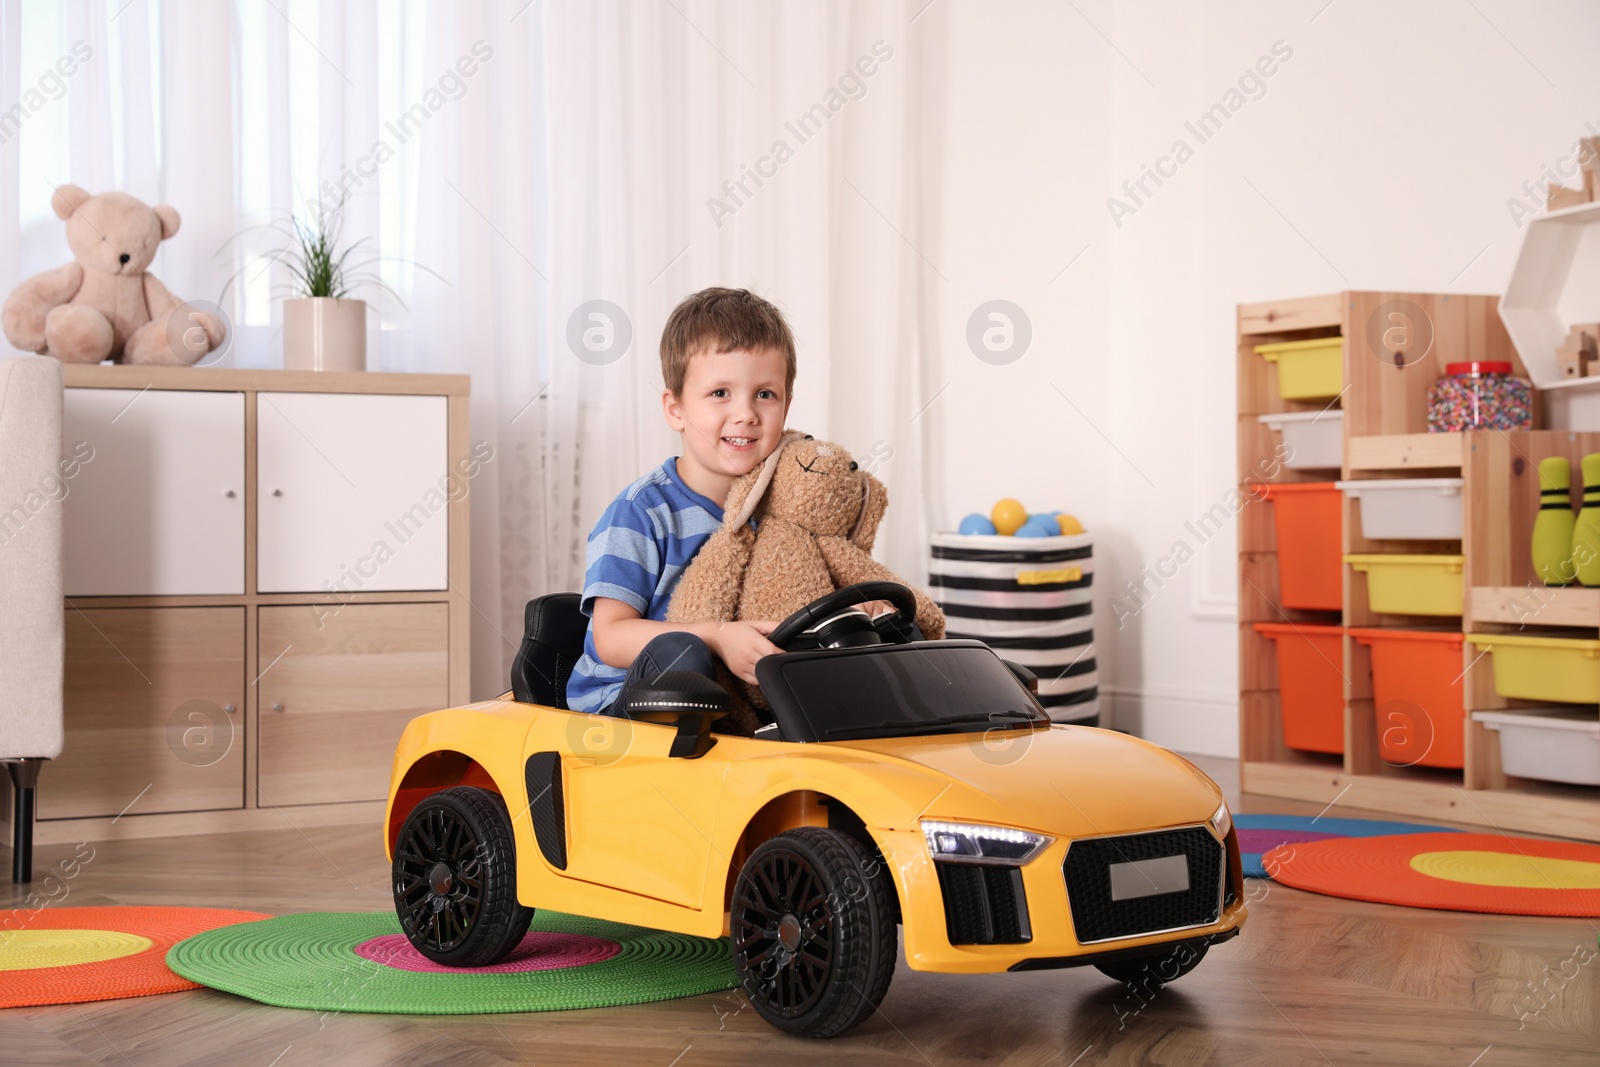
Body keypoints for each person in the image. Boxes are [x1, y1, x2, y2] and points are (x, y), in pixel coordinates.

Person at [564, 287, 798, 717]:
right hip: (628, 705)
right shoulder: (641, 512)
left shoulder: (783, 514)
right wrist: (715, 636)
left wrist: (857, 606)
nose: (746, 413)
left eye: (765, 394)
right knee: (683, 654)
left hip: (736, 701)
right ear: (675, 409)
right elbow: (610, 637)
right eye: (720, 393)